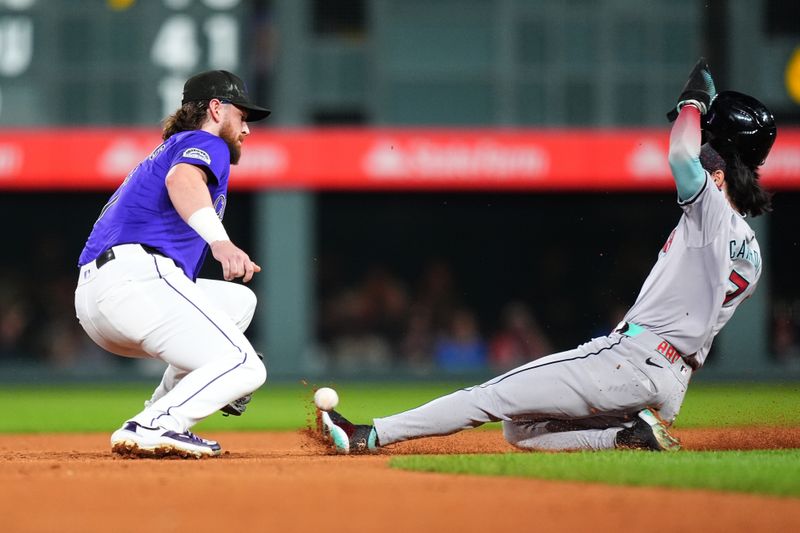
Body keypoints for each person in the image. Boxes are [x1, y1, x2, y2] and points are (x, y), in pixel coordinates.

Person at [318, 58, 777, 454]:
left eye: (708, 145)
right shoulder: (752, 256)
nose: (699, 147)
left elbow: (680, 155)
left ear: (720, 163)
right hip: (672, 384)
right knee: (522, 429)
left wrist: (692, 103)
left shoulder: (711, 208)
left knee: (490, 396)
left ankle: (368, 435)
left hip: (631, 359)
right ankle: (629, 437)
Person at [74, 70, 271, 458]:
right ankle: (159, 425)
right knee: (247, 368)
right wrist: (221, 243)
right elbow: (182, 181)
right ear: (216, 108)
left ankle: (154, 414)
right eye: (242, 115)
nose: (247, 128)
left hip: (101, 296)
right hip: (137, 279)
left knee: (238, 303)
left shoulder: (171, 147)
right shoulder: (203, 141)